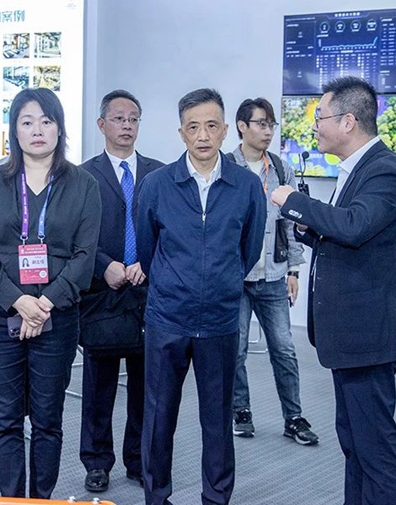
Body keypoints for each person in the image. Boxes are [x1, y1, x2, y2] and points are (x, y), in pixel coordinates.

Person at [271, 76, 396, 505]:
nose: (314, 126)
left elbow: (354, 226)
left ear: (348, 121)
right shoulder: (359, 170)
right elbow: (356, 235)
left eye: (320, 117)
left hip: (368, 335)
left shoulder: (384, 171)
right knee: (355, 442)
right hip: (353, 335)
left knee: (374, 449)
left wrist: (292, 201)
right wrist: (310, 231)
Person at [136, 88, 266, 505]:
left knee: (217, 420)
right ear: (181, 133)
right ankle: (157, 498)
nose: (203, 135)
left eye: (211, 126)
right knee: (158, 419)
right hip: (167, 319)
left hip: (221, 320)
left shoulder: (246, 186)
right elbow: (147, 249)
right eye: (193, 127)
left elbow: (249, 249)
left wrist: (222, 281)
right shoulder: (156, 185)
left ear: (226, 130)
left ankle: (216, 498)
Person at [0, 87, 101, 499]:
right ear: (14, 130)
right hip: (0, 314)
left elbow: (85, 256)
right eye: (27, 122)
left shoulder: (83, 185)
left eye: (46, 121)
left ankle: (41, 499)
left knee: (47, 419)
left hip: (56, 315)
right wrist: (19, 301)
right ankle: (13, 499)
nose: (37, 130)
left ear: (60, 128)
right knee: (6, 419)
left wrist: (42, 304)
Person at [78, 89, 163, 493]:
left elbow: (168, 231)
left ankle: (139, 460)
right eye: (118, 118)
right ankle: (97, 462)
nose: (127, 126)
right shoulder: (82, 176)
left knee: (147, 386)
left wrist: (146, 262)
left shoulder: (159, 174)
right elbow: (74, 237)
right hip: (102, 291)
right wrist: (104, 265)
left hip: (148, 291)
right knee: (99, 386)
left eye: (133, 119)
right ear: (102, 125)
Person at [227, 97, 318, 445]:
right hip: (236, 278)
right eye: (261, 124)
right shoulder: (226, 167)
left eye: (271, 125)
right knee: (236, 349)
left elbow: (290, 224)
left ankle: (293, 417)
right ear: (242, 126)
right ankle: (240, 411)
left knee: (284, 349)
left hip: (274, 276)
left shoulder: (280, 169)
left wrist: (294, 270)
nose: (267, 131)